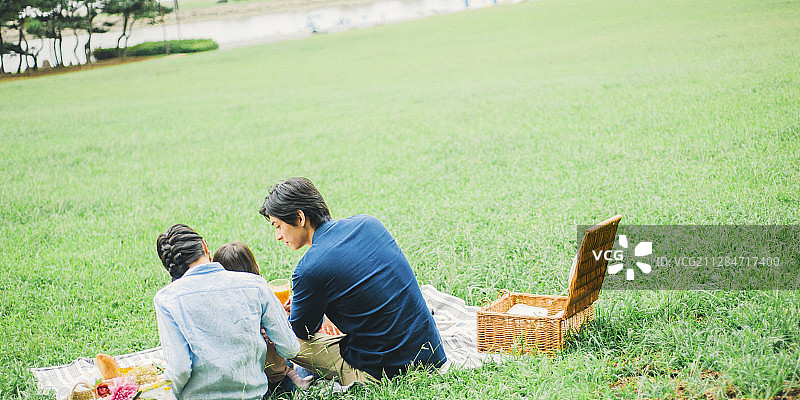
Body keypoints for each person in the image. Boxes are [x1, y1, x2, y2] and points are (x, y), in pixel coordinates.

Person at [259, 177, 446, 386]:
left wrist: (305, 306)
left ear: (300, 217)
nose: (277, 236)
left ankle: (283, 383)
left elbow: (303, 332)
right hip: (430, 350)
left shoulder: (309, 268)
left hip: (386, 369)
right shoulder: (369, 223)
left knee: (276, 334)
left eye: (278, 226)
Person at [153, 224, 301, 400]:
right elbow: (290, 348)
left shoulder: (166, 299)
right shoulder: (255, 284)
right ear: (204, 246)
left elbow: (179, 368)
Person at [212, 241, 313, 392]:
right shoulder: (258, 292)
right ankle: (294, 377)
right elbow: (287, 344)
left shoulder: (215, 303)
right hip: (272, 378)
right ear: (254, 267)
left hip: (235, 378)